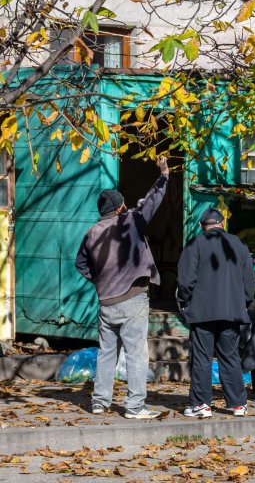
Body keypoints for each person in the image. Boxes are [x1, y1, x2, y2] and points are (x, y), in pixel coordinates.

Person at [75, 156, 169, 419]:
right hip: (132, 299)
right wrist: (164, 175)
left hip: (106, 302)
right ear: (118, 209)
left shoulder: (91, 233)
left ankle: (99, 402)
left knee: (107, 353)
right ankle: (135, 406)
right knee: (137, 353)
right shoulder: (130, 222)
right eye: (124, 204)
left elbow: (81, 264)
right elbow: (152, 201)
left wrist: (101, 281)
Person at [177, 207, 255, 418]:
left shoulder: (195, 244)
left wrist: (185, 303)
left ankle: (202, 404)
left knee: (202, 357)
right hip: (232, 311)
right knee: (229, 356)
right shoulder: (238, 244)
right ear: (223, 224)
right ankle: (238, 404)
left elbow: (185, 281)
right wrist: (245, 303)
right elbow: (249, 281)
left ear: (203, 226)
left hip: (202, 311)